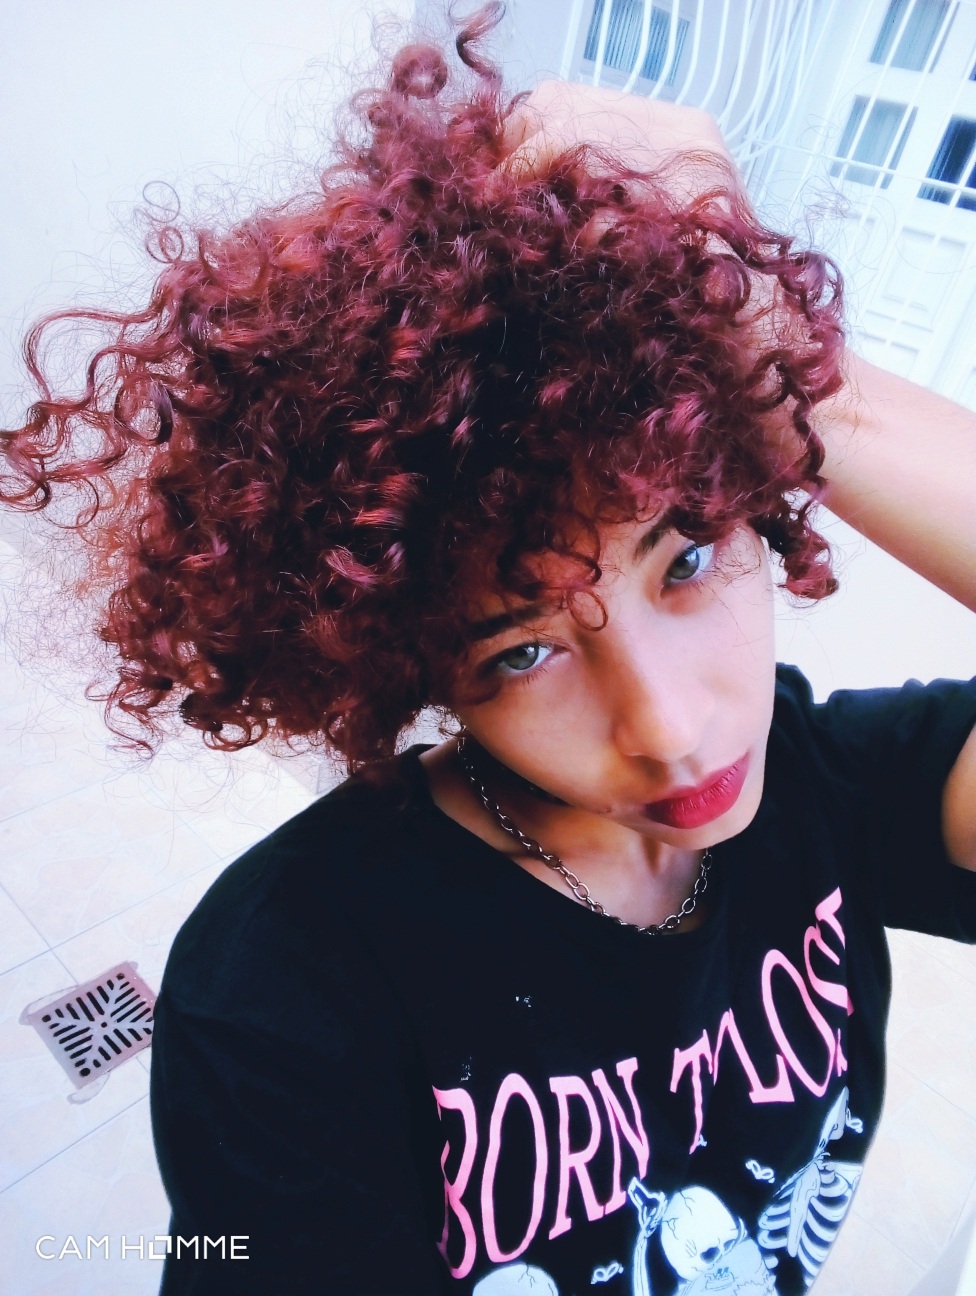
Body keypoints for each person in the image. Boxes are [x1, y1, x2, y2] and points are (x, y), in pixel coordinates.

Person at [2, 4, 975, 1293]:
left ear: (754, 495)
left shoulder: (827, 785)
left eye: (686, 559)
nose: (671, 728)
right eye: (520, 651)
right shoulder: (291, 992)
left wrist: (787, 362)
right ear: (408, 663)